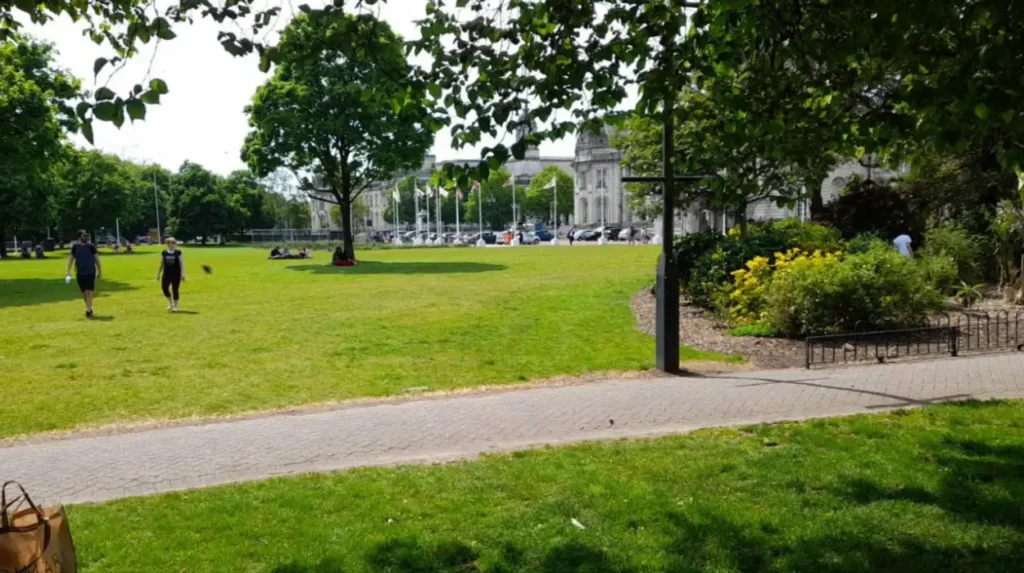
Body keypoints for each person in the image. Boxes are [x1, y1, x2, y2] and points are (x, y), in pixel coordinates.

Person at [65, 230, 101, 317]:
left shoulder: (91, 247)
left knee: (89, 291)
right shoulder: (75, 247)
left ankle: (88, 310)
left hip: (90, 272)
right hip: (80, 273)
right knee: (84, 292)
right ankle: (89, 308)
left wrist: (100, 271)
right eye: (83, 236)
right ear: (79, 237)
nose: (85, 237)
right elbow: (71, 259)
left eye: (86, 235)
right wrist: (68, 270)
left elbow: (97, 259)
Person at [157, 237, 186, 312]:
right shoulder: (164, 253)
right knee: (164, 288)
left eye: (174, 242)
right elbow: (162, 263)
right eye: (172, 242)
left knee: (175, 290)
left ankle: (175, 306)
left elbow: (182, 263)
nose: (173, 244)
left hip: (176, 274)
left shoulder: (178, 252)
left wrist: (183, 274)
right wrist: (158, 273)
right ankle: (171, 303)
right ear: (168, 244)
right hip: (166, 274)